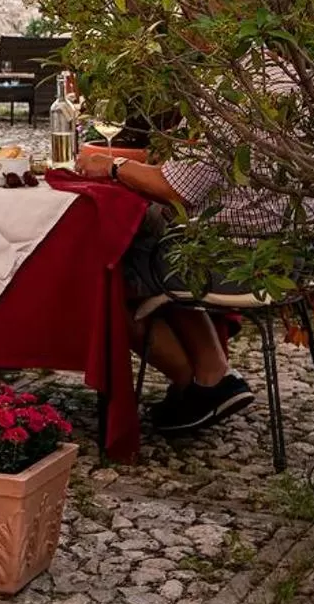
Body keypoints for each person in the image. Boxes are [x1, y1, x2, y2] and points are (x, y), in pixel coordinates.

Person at [74, 139, 284, 433]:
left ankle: (202, 383)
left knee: (111, 271)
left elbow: (175, 188)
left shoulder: (225, 105)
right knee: (151, 244)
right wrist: (116, 157)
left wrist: (113, 166)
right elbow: (179, 158)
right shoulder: (298, 97)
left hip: (230, 261)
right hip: (287, 256)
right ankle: (212, 375)